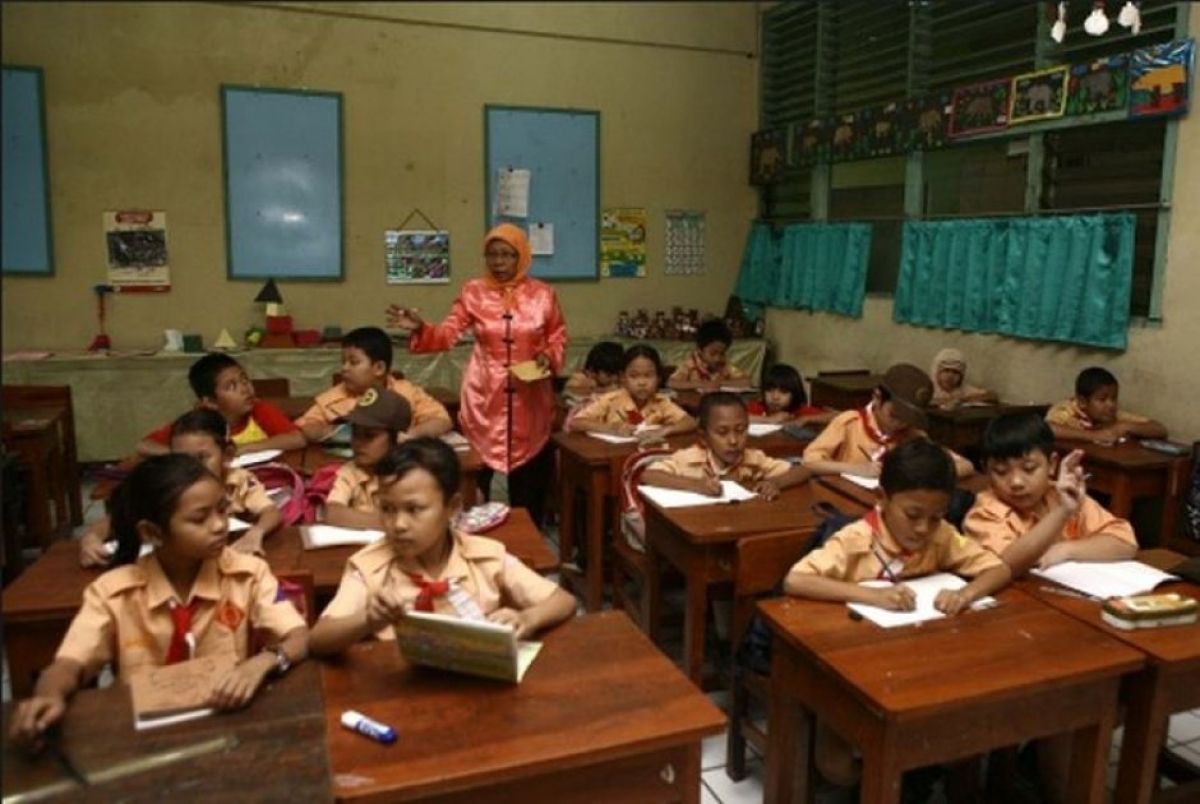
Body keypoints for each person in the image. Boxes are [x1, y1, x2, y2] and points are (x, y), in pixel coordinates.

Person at [9, 454, 308, 751]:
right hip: (143, 735)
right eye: (199, 519)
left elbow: (298, 636)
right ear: (152, 532)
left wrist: (262, 662)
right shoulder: (114, 592)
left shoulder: (248, 574)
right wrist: (48, 696)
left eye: (222, 510)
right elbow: (69, 663)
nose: (220, 525)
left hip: (228, 723)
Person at [783, 439, 1012, 788]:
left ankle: (912, 777)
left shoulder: (942, 536)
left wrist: (965, 594)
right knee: (837, 767)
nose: (923, 529)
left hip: (917, 663)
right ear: (883, 499)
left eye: (935, 517)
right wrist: (871, 595)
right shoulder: (855, 539)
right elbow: (796, 580)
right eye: (913, 515)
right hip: (851, 663)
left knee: (958, 737)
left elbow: (999, 569)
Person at [309, 438, 576, 655]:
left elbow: (563, 601)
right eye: (387, 509)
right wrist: (368, 619)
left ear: (453, 507)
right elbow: (319, 639)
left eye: (414, 509)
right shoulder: (370, 567)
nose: (398, 524)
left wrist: (528, 618)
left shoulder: (485, 556)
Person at [385, 224, 567, 528]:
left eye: (507, 255)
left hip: (530, 398)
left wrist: (548, 356)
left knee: (529, 487)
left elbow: (557, 336)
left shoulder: (543, 294)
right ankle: (470, 543)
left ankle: (528, 543)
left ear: (521, 256)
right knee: (474, 485)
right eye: (492, 255)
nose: (499, 262)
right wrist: (421, 328)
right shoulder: (473, 291)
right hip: (485, 397)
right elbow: (448, 333)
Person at [81, 409, 283, 567]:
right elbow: (118, 518)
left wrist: (255, 533)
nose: (190, 467)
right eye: (181, 458)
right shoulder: (165, 484)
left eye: (201, 458)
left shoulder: (238, 481)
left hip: (227, 561)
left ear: (227, 455)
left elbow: (271, 511)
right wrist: (91, 538)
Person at [963, 413, 1136, 575]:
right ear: (987, 471)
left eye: (1029, 469)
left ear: (1052, 464)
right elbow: (1007, 566)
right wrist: (1062, 512)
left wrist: (1066, 550)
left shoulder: (1062, 494)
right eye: (1001, 471)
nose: (1016, 482)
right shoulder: (984, 513)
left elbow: (1125, 541)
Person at [802, 363, 974, 479]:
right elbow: (809, 462)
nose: (899, 424)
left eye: (907, 419)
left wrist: (922, 475)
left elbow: (966, 466)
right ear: (877, 397)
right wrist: (855, 469)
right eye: (894, 415)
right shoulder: (849, 423)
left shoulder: (913, 434)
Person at [295, 326, 451, 444]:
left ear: (379, 368)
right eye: (343, 362)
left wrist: (408, 436)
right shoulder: (332, 398)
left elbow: (441, 420)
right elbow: (307, 427)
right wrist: (344, 433)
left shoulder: (406, 392)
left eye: (353, 362)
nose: (344, 368)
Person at [641, 392, 810, 500]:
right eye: (722, 432)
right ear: (703, 437)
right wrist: (696, 485)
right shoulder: (690, 457)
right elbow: (649, 475)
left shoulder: (753, 458)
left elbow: (803, 470)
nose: (734, 441)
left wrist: (776, 482)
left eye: (741, 430)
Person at [136, 353, 304, 457]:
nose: (245, 388)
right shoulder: (198, 422)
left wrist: (243, 449)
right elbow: (145, 446)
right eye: (231, 386)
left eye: (244, 379)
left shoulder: (258, 409)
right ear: (210, 402)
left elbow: (297, 439)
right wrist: (187, 454)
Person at [566, 344, 696, 442]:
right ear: (623, 378)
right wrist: (611, 428)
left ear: (658, 378)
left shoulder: (661, 402)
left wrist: (665, 430)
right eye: (634, 376)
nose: (642, 383)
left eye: (648, 376)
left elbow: (690, 422)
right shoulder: (610, 399)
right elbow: (576, 422)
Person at [325, 388, 413, 529]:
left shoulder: (412, 474)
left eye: (369, 436)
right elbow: (333, 513)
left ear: (397, 438)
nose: (358, 443)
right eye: (355, 433)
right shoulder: (351, 471)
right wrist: (390, 522)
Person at [1045, 366, 1167, 445]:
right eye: (1102, 400)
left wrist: (1125, 426)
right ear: (1082, 402)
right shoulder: (1066, 409)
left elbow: (1159, 429)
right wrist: (1094, 436)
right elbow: (1047, 429)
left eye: (1114, 398)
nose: (1110, 405)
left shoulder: (1114, 414)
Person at [668, 318, 749, 390]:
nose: (717, 358)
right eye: (713, 353)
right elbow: (672, 383)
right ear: (700, 350)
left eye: (722, 353)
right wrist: (702, 384)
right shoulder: (691, 364)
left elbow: (745, 382)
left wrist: (719, 383)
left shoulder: (723, 365)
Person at [747, 363, 833, 426]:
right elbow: (741, 418)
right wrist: (769, 420)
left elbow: (837, 416)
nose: (775, 397)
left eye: (783, 392)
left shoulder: (798, 410)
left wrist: (806, 419)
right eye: (769, 391)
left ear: (794, 394)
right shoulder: (759, 407)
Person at [928, 348, 997, 409]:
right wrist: (945, 401)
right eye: (946, 370)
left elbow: (992, 396)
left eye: (955, 372)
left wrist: (961, 400)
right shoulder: (928, 388)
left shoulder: (963, 389)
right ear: (937, 372)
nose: (950, 376)